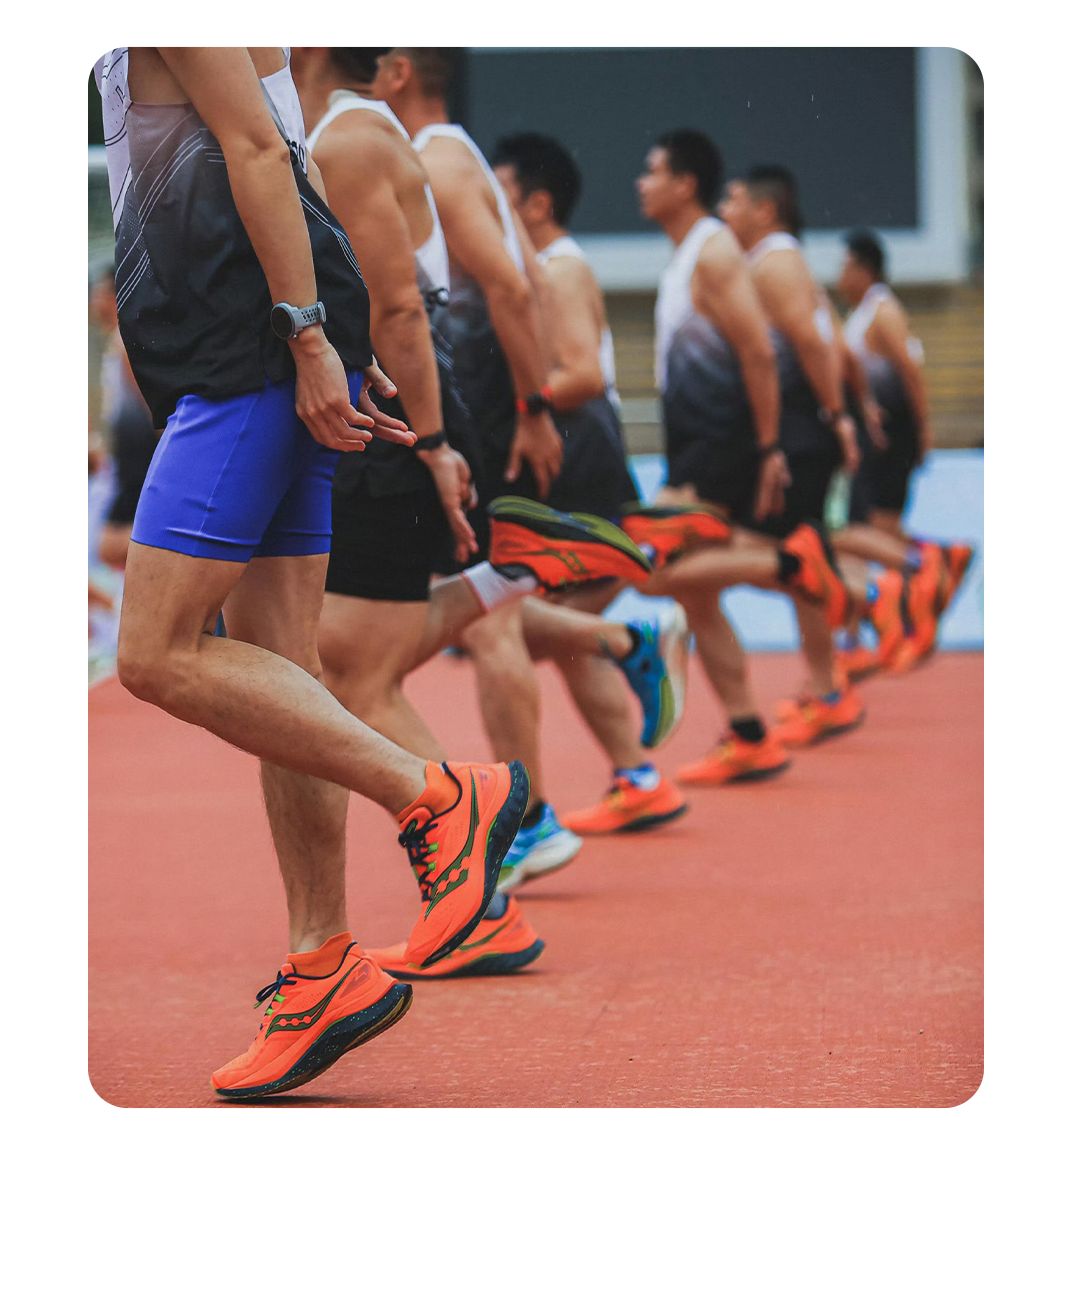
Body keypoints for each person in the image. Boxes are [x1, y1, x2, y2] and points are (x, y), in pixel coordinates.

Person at [95, 45, 536, 1101]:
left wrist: (307, 334)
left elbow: (257, 146)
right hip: (258, 346)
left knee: (152, 654)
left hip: (241, 356)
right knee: (284, 672)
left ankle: (438, 795)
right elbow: (279, 142)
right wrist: (328, 323)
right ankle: (323, 963)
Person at [288, 49, 654, 977]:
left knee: (354, 673)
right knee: (354, 662)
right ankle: (518, 575)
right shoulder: (376, 139)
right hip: (407, 421)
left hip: (400, 425)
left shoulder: (361, 140)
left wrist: (448, 439)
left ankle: (484, 874)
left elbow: (407, 309)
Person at [371, 48, 682, 874]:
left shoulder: (439, 161)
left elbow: (516, 291)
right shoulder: (448, 159)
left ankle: (532, 815)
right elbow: (521, 288)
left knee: (488, 622)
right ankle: (626, 659)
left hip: (491, 425)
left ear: (397, 71)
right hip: (489, 420)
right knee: (484, 610)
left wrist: (532, 409)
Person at [620, 132, 851, 776]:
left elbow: (757, 352)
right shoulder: (689, 255)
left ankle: (789, 563)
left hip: (717, 445)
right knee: (695, 595)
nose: (641, 183)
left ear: (685, 184)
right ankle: (748, 732)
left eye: (652, 171)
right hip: (694, 441)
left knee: (650, 570)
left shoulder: (715, 252)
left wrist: (770, 446)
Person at [490, 130, 689, 833]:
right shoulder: (535, 267)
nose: (485, 206)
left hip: (581, 453)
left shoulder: (560, 269)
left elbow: (583, 373)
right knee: (558, 631)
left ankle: (636, 636)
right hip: (566, 456)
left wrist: (514, 404)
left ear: (537, 205)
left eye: (500, 194)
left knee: (510, 626)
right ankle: (638, 775)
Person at [718, 164, 867, 745]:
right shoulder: (778, 261)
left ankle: (865, 606)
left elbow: (812, 342)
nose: (724, 210)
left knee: (779, 555)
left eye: (733, 200)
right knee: (796, 554)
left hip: (801, 429)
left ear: (764, 210)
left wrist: (836, 415)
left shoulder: (775, 262)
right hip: (804, 426)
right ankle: (827, 686)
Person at [836, 229, 973, 669]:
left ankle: (932, 566)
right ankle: (882, 620)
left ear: (864, 269)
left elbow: (910, 371)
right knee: (871, 530)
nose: (839, 274)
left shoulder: (883, 312)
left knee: (870, 529)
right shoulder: (861, 313)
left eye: (845, 265)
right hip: (873, 437)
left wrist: (923, 428)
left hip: (891, 435)